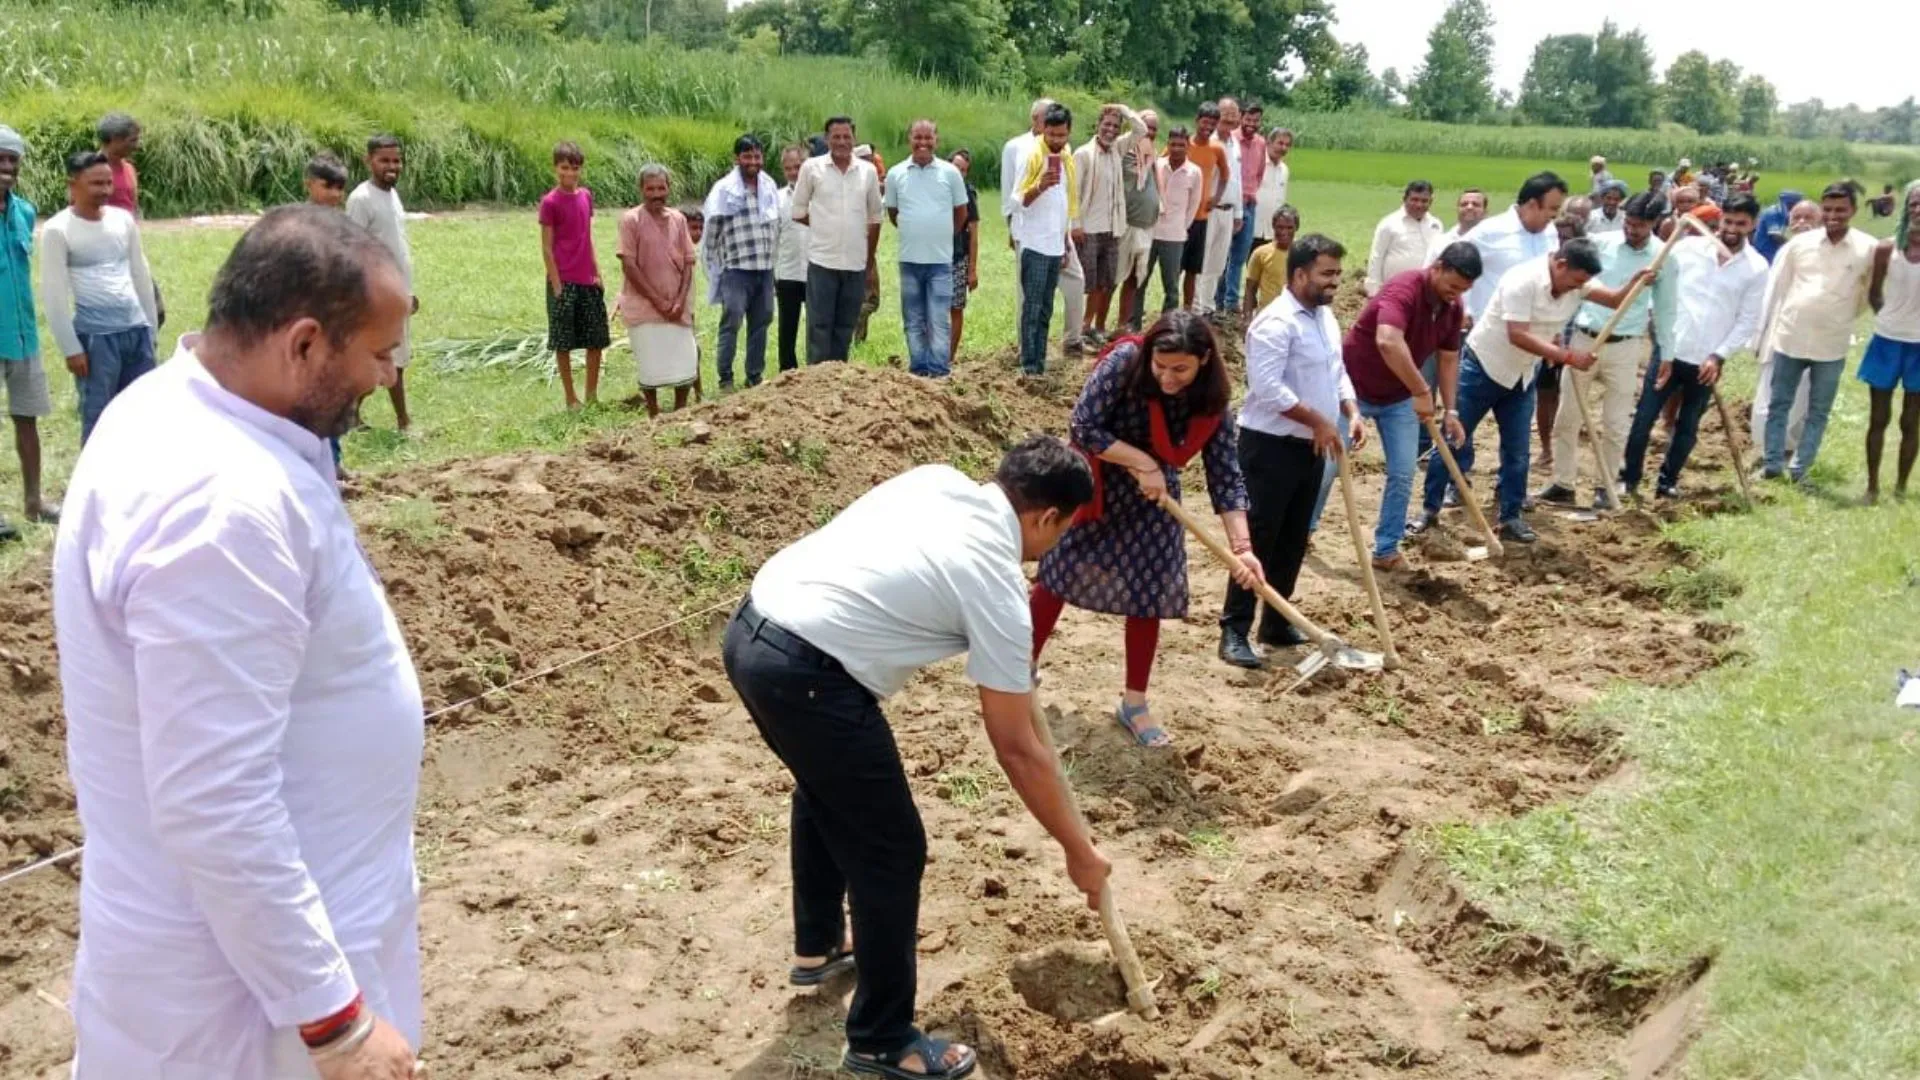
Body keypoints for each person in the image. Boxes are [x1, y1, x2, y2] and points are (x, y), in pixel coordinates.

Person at [54, 204, 424, 1080]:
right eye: (377, 354)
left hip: (282, 961)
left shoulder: (190, 408)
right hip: (249, 1013)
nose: (387, 376)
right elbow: (213, 799)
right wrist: (334, 1023)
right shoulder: (221, 507)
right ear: (304, 345)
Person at [724, 435, 1108, 1080]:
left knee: (827, 788)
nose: (1056, 545)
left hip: (751, 629)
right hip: (808, 672)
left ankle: (819, 945)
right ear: (1047, 517)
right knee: (892, 848)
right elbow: (1017, 747)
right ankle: (882, 1039)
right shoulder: (997, 585)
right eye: (1062, 530)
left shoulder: (937, 480)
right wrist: (1079, 849)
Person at [1032, 312, 1255, 744]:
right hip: (1097, 480)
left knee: (1148, 592)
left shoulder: (1212, 403)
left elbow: (1226, 477)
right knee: (1058, 573)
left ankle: (1134, 703)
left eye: (1180, 369)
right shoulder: (1126, 363)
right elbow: (1083, 425)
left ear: (1204, 360)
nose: (1167, 378)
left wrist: (1242, 547)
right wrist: (1141, 461)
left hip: (1154, 499)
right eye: (1161, 366)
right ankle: (1021, 669)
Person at [1415, 240, 1645, 543]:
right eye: (1575, 281)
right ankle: (1429, 511)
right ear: (1560, 265)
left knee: (1518, 450)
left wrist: (1637, 282)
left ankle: (1510, 517)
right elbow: (1518, 335)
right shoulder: (1523, 280)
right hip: (1484, 366)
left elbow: (1614, 300)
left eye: (1583, 283)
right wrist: (1567, 356)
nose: (1578, 288)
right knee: (1454, 438)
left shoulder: (1577, 283)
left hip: (1522, 375)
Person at [1218, 235, 1365, 668]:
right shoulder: (1275, 322)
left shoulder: (1325, 318)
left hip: (1310, 448)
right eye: (1326, 274)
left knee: (1293, 539)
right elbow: (1268, 389)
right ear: (1300, 274)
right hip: (1269, 448)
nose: (1334, 282)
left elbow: (1336, 371)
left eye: (1337, 274)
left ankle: (1277, 622)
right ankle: (1234, 629)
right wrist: (1317, 420)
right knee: (1259, 538)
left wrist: (1350, 411)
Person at [1341, 242, 1478, 571]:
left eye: (1464, 289)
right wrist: (1421, 389)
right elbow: (1388, 340)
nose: (1456, 294)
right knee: (1329, 467)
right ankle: (1305, 530)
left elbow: (1449, 359)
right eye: (1453, 285)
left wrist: (1451, 411)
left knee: (1403, 472)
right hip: (1351, 390)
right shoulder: (1403, 288)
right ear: (1437, 267)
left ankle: (1386, 549)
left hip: (1398, 396)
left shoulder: (1452, 307)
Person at [1620, 194, 1767, 500]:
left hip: (1707, 361)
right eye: (1728, 221)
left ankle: (1667, 482)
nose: (1732, 229)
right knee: (1644, 418)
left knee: (1687, 426)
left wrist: (1719, 355)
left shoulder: (1756, 268)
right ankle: (1629, 478)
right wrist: (1659, 330)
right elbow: (1660, 289)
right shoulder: (1688, 249)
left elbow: (1747, 320)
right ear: (1719, 219)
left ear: (1752, 224)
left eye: (1741, 224)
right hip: (1669, 351)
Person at [1539, 192, 1668, 510]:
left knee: (1615, 423)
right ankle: (1563, 482)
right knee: (1567, 416)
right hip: (1585, 339)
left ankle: (1605, 486)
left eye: (1640, 226)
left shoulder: (1662, 256)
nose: (1632, 230)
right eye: (1629, 223)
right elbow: (1573, 290)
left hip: (1625, 345)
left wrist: (1667, 352)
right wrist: (1558, 330)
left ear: (1654, 223)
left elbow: (1668, 307)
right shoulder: (1600, 243)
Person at [1756, 182, 1876, 484]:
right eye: (1829, 209)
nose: (1834, 215)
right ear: (1822, 210)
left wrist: (1839, 315)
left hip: (1832, 343)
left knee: (1818, 410)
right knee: (1779, 403)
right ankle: (1772, 464)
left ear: (1853, 210)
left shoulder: (1867, 248)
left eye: (1841, 210)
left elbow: (1867, 294)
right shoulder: (1799, 245)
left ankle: (1800, 469)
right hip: (1791, 335)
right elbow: (1782, 287)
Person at [40, 150, 159, 445]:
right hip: (96, 340)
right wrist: (71, 348)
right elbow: (54, 294)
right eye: (96, 183)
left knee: (143, 415)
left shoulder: (122, 220)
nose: (105, 190)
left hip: (136, 333)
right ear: (72, 185)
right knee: (99, 420)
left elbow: (140, 274)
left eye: (108, 183)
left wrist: (151, 329)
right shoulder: (57, 230)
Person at [792, 117, 882, 365]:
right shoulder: (812, 168)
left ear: (854, 139)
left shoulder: (868, 172)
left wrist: (868, 260)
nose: (842, 142)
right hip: (822, 261)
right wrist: (825, 224)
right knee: (819, 328)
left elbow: (875, 217)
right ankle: (817, 381)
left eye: (846, 137)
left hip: (855, 263)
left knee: (845, 328)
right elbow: (798, 212)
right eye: (836, 137)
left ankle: (838, 380)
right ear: (827, 139)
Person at [0, 126, 54, 543]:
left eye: (12, 159)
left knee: (27, 418)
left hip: (23, 336)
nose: (6, 166)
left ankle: (35, 501)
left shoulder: (25, 212)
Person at [884, 120, 969, 377]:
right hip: (909, 260)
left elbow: (961, 213)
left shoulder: (950, 173)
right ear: (909, 139)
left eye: (928, 137)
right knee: (913, 320)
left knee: (938, 320)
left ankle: (939, 371)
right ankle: (919, 370)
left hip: (940, 261)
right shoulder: (896, 174)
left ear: (936, 140)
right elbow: (894, 213)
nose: (923, 143)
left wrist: (940, 234)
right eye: (917, 137)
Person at [1002, 98, 1086, 358]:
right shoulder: (1031, 155)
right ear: (1042, 129)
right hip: (1034, 243)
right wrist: (1039, 186)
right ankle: (1029, 362)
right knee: (1032, 305)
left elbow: (1063, 205)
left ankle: (1040, 359)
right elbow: (1015, 200)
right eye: (1051, 134)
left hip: (1055, 243)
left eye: (1061, 135)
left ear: (1068, 132)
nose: (1056, 140)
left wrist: (1064, 241)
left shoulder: (1066, 157)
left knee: (1046, 306)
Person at [344, 134, 417, 432]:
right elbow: (353, 250)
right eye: (384, 160)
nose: (392, 166)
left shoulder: (392, 194)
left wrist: (408, 293)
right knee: (390, 357)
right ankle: (404, 421)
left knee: (387, 358)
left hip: (397, 291)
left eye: (396, 161)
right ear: (368, 161)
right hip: (377, 294)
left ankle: (350, 413)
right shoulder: (361, 199)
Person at [618, 165, 699, 417]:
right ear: (641, 190)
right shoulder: (631, 220)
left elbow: (689, 262)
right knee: (650, 364)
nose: (656, 194)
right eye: (650, 189)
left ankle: (680, 409)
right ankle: (653, 412)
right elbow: (629, 265)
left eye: (661, 188)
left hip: (676, 306)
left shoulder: (678, 219)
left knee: (685, 361)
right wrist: (657, 301)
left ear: (668, 188)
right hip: (644, 305)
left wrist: (679, 301)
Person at [700, 134, 781, 391]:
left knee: (761, 323)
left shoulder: (768, 185)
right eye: (747, 156)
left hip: (764, 269)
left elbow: (775, 225)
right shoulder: (725, 189)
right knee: (732, 323)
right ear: (737, 158)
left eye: (757, 156)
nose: (753, 161)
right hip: (736, 269)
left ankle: (754, 376)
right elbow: (713, 229)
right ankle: (725, 377)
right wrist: (714, 264)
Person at [1859, 180, 1920, 503]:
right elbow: (1874, 293)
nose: (1919, 210)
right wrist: (1889, 320)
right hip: (1886, 341)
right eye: (1914, 203)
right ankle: (1872, 487)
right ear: (1906, 207)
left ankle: (1900, 487)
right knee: (1878, 418)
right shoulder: (1887, 249)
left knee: (1911, 421)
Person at [540, 140, 611, 410]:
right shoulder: (550, 202)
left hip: (587, 278)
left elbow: (587, 237)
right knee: (563, 342)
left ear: (581, 169)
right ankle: (571, 397)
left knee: (596, 339)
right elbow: (547, 248)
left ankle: (591, 395)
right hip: (564, 280)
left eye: (575, 168)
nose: (569, 173)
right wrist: (557, 284)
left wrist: (597, 273)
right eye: (564, 168)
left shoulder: (586, 197)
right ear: (555, 168)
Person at [1073, 104, 1149, 345]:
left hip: (1113, 227)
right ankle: (1075, 329)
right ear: (1098, 125)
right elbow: (1073, 193)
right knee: (1085, 282)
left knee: (1104, 282)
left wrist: (1122, 109)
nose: (1111, 130)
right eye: (1107, 124)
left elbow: (1141, 129)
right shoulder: (1083, 154)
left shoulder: (1118, 148)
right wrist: (1075, 224)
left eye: (1116, 126)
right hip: (1088, 228)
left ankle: (1088, 326)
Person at [1461, 172, 1566, 324]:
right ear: (1532, 205)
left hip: (1535, 326)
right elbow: (1455, 266)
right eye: (1553, 208)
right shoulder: (1490, 231)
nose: (1555, 215)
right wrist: (1464, 310)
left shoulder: (1550, 232)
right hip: (1492, 327)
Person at [303, 154, 351, 481]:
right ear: (309, 184)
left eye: (339, 188)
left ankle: (332, 459)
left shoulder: (342, 225)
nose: (334, 194)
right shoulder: (300, 224)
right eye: (327, 186)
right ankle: (314, 461)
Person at [1141, 127, 1201, 324]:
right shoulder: (1157, 165)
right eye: (1173, 144)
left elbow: (1193, 205)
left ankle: (1168, 324)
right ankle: (1134, 322)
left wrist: (1182, 227)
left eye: (1181, 145)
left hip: (1175, 236)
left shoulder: (1194, 172)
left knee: (1172, 286)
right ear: (1167, 144)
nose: (1176, 149)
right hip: (1150, 232)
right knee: (1140, 280)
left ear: (1188, 146)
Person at [1114, 109, 1161, 335]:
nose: (1149, 132)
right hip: (1127, 225)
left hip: (1145, 226)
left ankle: (1123, 325)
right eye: (1146, 126)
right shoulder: (1124, 150)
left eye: (1154, 128)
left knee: (1134, 277)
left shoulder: (1152, 153)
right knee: (1114, 277)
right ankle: (1097, 325)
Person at [1181, 102, 1229, 314]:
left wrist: (1216, 198)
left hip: (1200, 216)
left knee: (1193, 269)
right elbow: (1162, 165)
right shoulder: (1184, 144)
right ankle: (1170, 309)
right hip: (1179, 216)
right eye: (1205, 122)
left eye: (1212, 124)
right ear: (1197, 121)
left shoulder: (1217, 148)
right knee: (1175, 267)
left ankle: (1188, 310)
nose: (1207, 127)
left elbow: (1225, 176)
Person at [1220, 101, 1266, 313]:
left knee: (1239, 256)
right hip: (1229, 205)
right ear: (1241, 118)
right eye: (1248, 119)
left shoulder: (1260, 143)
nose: (1252, 124)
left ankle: (1231, 301)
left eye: (1256, 120)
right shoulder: (1230, 140)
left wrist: (1251, 192)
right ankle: (1217, 299)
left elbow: (1259, 174)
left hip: (1249, 205)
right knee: (1222, 255)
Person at [1365, 180, 1444, 297]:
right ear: (1404, 199)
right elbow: (1376, 256)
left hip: (1427, 292)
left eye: (1424, 201)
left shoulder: (1436, 225)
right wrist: (1373, 290)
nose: (1419, 205)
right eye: (1414, 199)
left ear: (1431, 201)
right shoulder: (1389, 223)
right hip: (1395, 291)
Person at [774, 144, 811, 376]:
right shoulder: (777, 199)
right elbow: (773, 237)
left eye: (797, 167)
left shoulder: (819, 195)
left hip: (816, 271)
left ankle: (817, 372)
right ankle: (787, 373)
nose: (793, 173)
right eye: (788, 168)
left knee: (817, 327)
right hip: (787, 272)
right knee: (787, 328)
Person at [852, 144, 888, 346]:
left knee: (868, 298)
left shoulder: (870, 179)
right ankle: (854, 335)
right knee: (869, 299)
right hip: (859, 248)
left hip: (867, 248)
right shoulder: (858, 183)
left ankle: (859, 337)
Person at [948, 148, 980, 370]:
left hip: (959, 257)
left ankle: (949, 357)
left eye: (963, 170)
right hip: (935, 256)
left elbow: (974, 234)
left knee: (956, 308)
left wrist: (972, 269)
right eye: (956, 167)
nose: (958, 173)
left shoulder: (968, 194)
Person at [1240, 206, 1299, 317]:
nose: (1284, 232)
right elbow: (1250, 289)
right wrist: (1247, 318)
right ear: (1273, 226)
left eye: (1289, 228)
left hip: (1295, 315)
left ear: (1297, 228)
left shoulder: (1303, 253)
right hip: (1268, 315)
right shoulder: (1260, 253)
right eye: (1280, 227)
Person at [1252, 127, 1292, 251]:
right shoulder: (1256, 163)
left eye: (1287, 145)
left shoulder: (1284, 170)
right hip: (1252, 227)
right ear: (1269, 142)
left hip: (1272, 231)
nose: (1283, 148)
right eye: (1280, 143)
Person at [1428, 188, 1488, 259]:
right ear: (1457, 209)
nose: (1469, 207)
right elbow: (1429, 266)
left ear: (1485, 211)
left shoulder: (1494, 242)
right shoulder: (1440, 242)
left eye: (1475, 204)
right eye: (1464, 204)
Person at [1753, 189, 1803, 263]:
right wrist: (1794, 246)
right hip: (1764, 252)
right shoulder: (1772, 213)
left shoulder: (1786, 214)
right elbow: (1775, 236)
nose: (1794, 207)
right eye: (1791, 204)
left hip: (1776, 252)